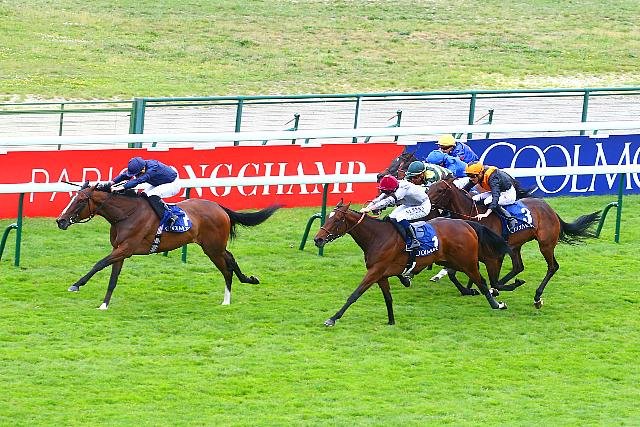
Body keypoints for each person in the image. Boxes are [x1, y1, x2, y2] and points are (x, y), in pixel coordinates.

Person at [359, 174, 431, 251]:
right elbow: (378, 199)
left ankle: (414, 241)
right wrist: (367, 208)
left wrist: (370, 209)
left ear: (392, 189)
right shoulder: (392, 186)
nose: (385, 193)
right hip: (409, 204)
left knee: (400, 217)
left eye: (387, 191)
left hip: (423, 206)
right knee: (392, 216)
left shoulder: (402, 188)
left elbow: (388, 201)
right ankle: (395, 236)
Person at [111, 157, 180, 226]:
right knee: (144, 195)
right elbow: (125, 175)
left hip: (172, 183)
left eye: (137, 174)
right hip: (161, 182)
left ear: (143, 169)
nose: (136, 176)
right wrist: (112, 182)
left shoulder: (153, 168)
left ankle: (170, 217)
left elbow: (138, 181)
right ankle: (149, 216)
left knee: (152, 195)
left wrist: (122, 187)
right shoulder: (141, 166)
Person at [463, 162, 519, 229]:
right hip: (498, 192)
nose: (471, 178)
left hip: (508, 194)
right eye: (468, 175)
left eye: (472, 176)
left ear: (480, 173)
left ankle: (510, 219)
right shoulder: (477, 176)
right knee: (475, 198)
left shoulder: (493, 177)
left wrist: (486, 214)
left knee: (487, 201)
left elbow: (495, 197)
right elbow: (465, 189)